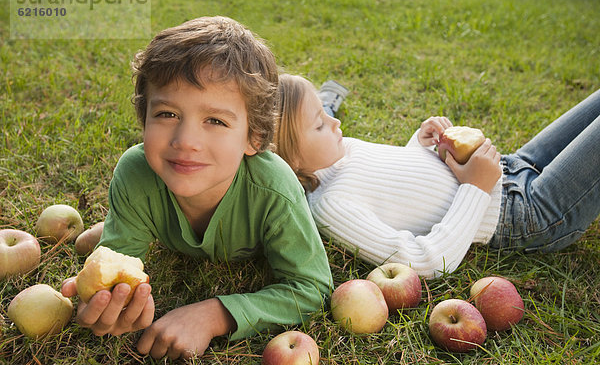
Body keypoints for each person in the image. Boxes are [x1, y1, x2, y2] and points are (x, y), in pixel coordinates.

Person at [61, 18, 332, 360]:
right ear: (144, 118)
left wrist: (215, 315)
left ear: (255, 137)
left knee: (315, 159)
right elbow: (117, 270)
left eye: (215, 121)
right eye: (167, 113)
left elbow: (311, 288)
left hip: (287, 179)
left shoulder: (275, 190)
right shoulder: (135, 173)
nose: (186, 141)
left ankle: (328, 108)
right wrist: (116, 302)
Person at [273, 73, 600, 279]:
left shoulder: (339, 149)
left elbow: (398, 185)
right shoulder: (331, 206)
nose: (335, 123)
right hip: (529, 214)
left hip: (514, 167)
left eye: (324, 111)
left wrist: (420, 144)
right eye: (319, 124)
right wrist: (475, 187)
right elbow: (424, 261)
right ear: (289, 160)